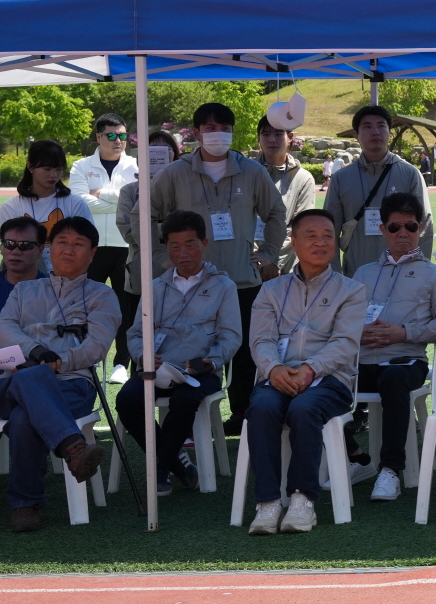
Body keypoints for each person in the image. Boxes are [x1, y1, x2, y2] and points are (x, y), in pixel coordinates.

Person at [150, 103, 286, 439]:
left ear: (233, 131)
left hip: (242, 280)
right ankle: (191, 423)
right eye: (208, 128)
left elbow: (276, 214)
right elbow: (146, 216)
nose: (216, 133)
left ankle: (242, 415)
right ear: (196, 133)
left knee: (245, 355)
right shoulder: (174, 173)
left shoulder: (252, 172)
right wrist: (161, 257)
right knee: (193, 350)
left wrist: (268, 254)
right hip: (192, 285)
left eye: (223, 127)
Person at [242, 209, 367, 535]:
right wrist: (276, 369)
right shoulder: (271, 290)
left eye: (327, 235)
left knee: (304, 408)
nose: (321, 242)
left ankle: (302, 500)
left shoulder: (351, 291)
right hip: (278, 375)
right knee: (263, 407)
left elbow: (344, 344)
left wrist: (311, 369)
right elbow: (261, 340)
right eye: (311, 235)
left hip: (331, 379)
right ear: (294, 242)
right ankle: (268, 502)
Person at [1, 216, 118, 532]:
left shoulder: (102, 295)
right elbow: (5, 327)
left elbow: (97, 346)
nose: (68, 250)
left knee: (25, 417)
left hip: (71, 383)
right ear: (49, 249)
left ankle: (25, 504)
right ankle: (73, 448)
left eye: (78, 244)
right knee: (29, 377)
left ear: (92, 253)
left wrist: (59, 362)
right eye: (62, 242)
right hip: (11, 382)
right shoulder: (24, 290)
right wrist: (38, 353)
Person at [116, 210, 242, 496]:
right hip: (157, 368)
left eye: (190, 244)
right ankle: (177, 462)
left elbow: (232, 336)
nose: (183, 253)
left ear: (204, 244)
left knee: (186, 400)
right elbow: (135, 334)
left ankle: (160, 467)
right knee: (126, 400)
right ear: (166, 247)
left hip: (201, 371)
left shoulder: (224, 286)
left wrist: (212, 359)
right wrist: (143, 356)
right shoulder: (155, 287)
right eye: (175, 246)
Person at [350, 192, 436, 502]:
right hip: (363, 360)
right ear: (382, 230)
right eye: (394, 227)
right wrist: (358, 333)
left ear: (420, 229)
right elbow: (342, 321)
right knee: (322, 382)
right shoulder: (364, 273)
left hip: (406, 361)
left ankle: (390, 470)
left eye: (410, 226)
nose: (403, 234)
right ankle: (356, 456)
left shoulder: (435, 275)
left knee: (393, 381)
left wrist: (403, 333)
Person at [323, 105, 434, 279]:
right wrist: (334, 273)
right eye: (367, 127)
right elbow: (330, 229)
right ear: (356, 135)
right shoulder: (341, 178)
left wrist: (419, 271)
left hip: (402, 275)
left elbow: (424, 225)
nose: (375, 132)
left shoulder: (410, 174)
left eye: (381, 126)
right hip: (356, 274)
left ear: (389, 132)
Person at [70, 113, 137, 373]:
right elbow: (79, 201)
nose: (118, 140)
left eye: (122, 135)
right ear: (99, 137)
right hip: (91, 248)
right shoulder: (80, 166)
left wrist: (101, 195)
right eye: (111, 135)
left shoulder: (136, 165)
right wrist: (122, 200)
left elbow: (139, 202)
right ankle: (87, 359)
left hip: (126, 246)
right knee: (86, 306)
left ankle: (122, 363)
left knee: (125, 308)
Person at [115, 130, 181, 343]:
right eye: (151, 151)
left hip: (181, 274)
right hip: (140, 276)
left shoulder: (183, 189)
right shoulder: (129, 191)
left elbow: (191, 229)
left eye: (165, 150)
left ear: (174, 155)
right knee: (141, 339)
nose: (158, 156)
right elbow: (129, 232)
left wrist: (154, 228)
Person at [1, 141, 95, 273]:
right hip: (24, 279)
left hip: (66, 277)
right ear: (30, 167)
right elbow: (9, 248)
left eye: (59, 169)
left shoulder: (75, 203)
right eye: (47, 169)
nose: (53, 175)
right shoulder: (11, 207)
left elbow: (87, 242)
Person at [251, 115, 317, 279]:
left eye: (278, 134)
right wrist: (254, 258)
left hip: (286, 268)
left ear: (290, 138)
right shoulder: (246, 173)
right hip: (248, 263)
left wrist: (273, 260)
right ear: (259, 139)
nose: (271, 140)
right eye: (265, 134)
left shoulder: (303, 178)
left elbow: (300, 227)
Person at [0, 216, 43, 312]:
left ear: (40, 251)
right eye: (9, 244)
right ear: (1, 249)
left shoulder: (54, 290)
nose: (15, 252)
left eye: (25, 245)